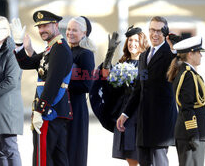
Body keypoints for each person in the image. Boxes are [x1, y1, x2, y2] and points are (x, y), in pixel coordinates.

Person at [11, 10, 73, 166]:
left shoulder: (59, 48)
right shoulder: (51, 49)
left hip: (49, 111)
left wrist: (40, 110)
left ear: (56, 25)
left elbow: (53, 83)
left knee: (42, 158)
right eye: (39, 27)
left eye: (45, 25)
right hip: (53, 111)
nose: (41, 30)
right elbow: (28, 63)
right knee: (58, 159)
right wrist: (19, 44)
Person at [116, 16, 178, 166]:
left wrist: (174, 50)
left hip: (161, 122)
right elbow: (138, 89)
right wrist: (125, 114)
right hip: (143, 122)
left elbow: (177, 69)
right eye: (152, 30)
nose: (155, 34)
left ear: (165, 33)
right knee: (144, 162)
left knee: (159, 162)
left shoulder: (170, 55)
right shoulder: (143, 56)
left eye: (159, 31)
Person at [90, 26, 149, 166]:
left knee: (145, 158)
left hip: (142, 115)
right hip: (125, 115)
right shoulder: (122, 64)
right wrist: (109, 54)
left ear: (142, 42)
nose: (132, 44)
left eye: (135, 40)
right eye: (129, 40)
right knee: (131, 158)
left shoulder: (148, 63)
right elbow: (106, 80)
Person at [0, 16, 24, 166]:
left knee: (10, 149)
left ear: (7, 31)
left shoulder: (12, 51)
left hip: (7, 108)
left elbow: (11, 81)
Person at [167, 36, 205, 166]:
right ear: (190, 54)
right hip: (191, 134)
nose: (201, 56)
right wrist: (193, 135)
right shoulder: (187, 75)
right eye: (198, 52)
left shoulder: (188, 73)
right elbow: (187, 107)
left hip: (192, 133)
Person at [66, 16, 95, 166]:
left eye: (74, 30)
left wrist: (63, 85)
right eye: (69, 29)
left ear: (84, 33)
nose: (70, 32)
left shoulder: (86, 54)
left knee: (74, 151)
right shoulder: (65, 50)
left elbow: (87, 85)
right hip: (63, 107)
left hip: (76, 108)